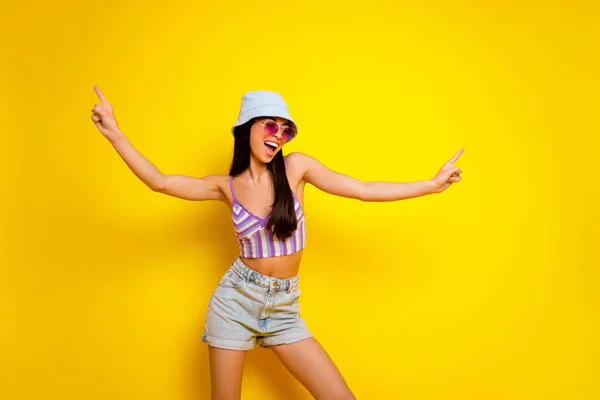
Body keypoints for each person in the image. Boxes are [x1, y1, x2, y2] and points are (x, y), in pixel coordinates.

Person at [90, 86, 463, 399]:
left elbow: (362, 189)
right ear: (247, 128)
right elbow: (160, 181)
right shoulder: (226, 187)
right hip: (234, 302)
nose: (278, 135)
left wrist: (430, 185)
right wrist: (114, 133)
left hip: (283, 308)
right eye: (271, 125)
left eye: (285, 130)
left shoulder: (296, 168)